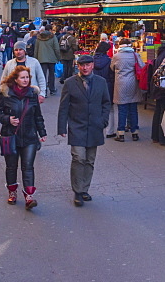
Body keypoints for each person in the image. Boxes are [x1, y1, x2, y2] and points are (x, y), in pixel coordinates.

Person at [57, 54, 111, 207]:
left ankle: (85, 188)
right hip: (77, 126)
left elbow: (106, 103)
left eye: (87, 65)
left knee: (89, 160)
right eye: (82, 65)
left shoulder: (101, 82)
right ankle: (78, 191)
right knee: (78, 158)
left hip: (95, 126)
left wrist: (103, 120)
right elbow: (64, 107)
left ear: (92, 65)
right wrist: (62, 127)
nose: (85, 68)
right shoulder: (70, 83)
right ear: (77, 66)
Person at [0, 64, 46, 209]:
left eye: (27, 77)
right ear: (15, 79)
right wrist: (7, 119)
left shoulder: (32, 94)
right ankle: (12, 192)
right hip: (10, 136)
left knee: (28, 167)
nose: (25, 80)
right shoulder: (6, 93)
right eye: (22, 77)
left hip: (29, 136)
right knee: (11, 166)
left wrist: (42, 133)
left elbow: (37, 116)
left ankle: (29, 196)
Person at [111, 38, 143, 141]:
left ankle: (121, 133)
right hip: (133, 83)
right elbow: (142, 67)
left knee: (122, 109)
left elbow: (112, 67)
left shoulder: (116, 56)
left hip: (120, 84)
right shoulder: (135, 55)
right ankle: (135, 133)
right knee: (133, 109)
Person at [91, 41, 116, 137]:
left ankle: (96, 129)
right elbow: (111, 76)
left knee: (96, 108)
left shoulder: (92, 60)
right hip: (107, 85)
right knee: (110, 109)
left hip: (94, 85)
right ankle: (110, 131)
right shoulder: (109, 61)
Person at [34, 24, 61, 96]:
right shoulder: (53, 37)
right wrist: (58, 58)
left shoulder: (39, 37)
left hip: (41, 58)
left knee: (42, 76)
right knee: (51, 75)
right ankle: (52, 89)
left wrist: (36, 59)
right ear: (50, 30)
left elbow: (36, 49)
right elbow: (56, 49)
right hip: (52, 59)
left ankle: (44, 92)